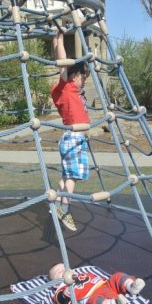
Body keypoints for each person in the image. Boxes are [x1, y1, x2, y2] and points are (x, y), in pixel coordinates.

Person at [51, 29, 90, 231]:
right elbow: (63, 62)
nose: (85, 81)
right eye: (84, 77)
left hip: (74, 138)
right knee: (73, 176)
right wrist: (59, 40)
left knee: (66, 177)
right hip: (74, 138)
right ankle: (65, 209)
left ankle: (56, 202)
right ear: (74, 76)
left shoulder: (75, 91)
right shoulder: (67, 86)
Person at [49, 263, 145, 304]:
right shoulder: (63, 287)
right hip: (92, 296)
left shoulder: (79, 274)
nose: (64, 270)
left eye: (64, 267)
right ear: (55, 284)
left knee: (117, 276)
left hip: (106, 285)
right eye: (59, 272)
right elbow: (60, 301)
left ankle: (131, 286)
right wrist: (65, 295)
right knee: (96, 303)